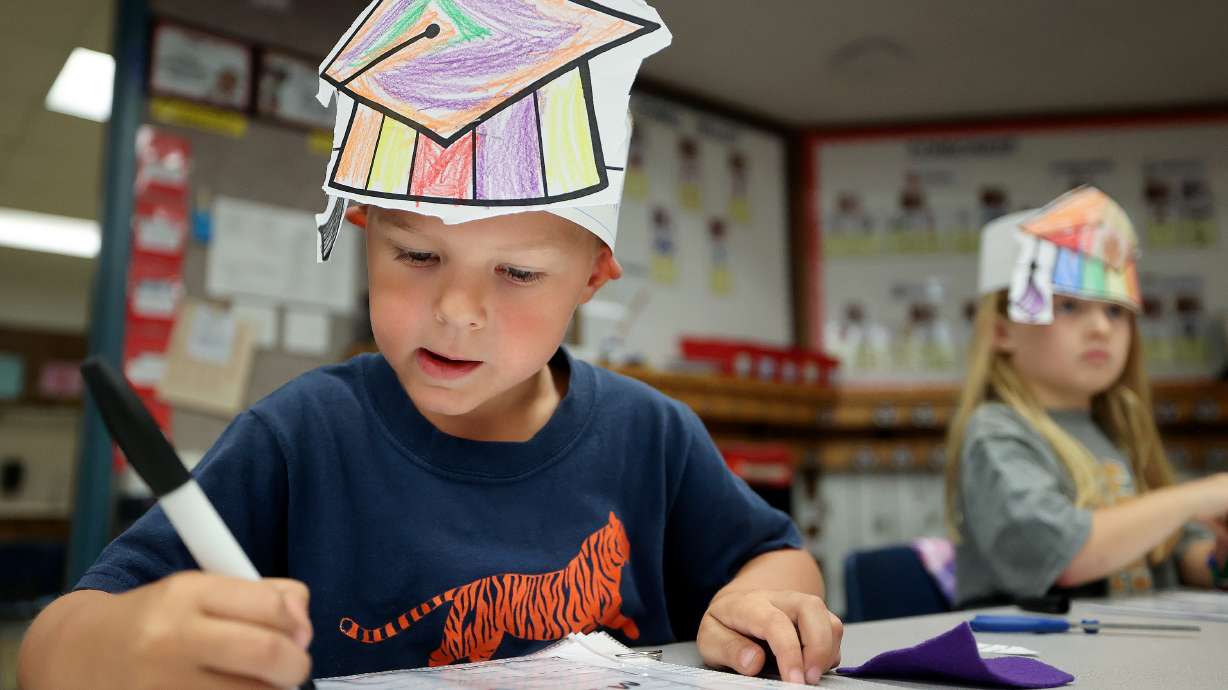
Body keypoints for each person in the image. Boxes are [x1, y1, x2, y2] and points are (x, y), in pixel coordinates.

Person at [19, 2, 842, 687]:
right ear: (367, 234)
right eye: (416, 255)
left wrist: (764, 602)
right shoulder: (301, 439)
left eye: (517, 272)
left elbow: (778, 559)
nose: (456, 310)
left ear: (592, 278)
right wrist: (122, 646)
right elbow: (51, 648)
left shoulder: (651, 437)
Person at [945, 186, 1228, 607]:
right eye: (1069, 307)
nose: (1101, 328)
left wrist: (1216, 559)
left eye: (1115, 311)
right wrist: (1195, 497)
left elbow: (1173, 551)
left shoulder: (1116, 429)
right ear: (1004, 332)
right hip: (1033, 660)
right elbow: (1064, 554)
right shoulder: (996, 432)